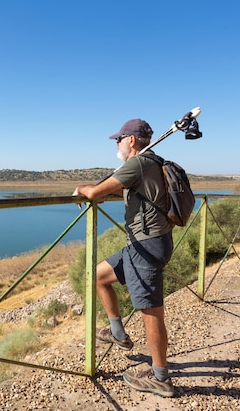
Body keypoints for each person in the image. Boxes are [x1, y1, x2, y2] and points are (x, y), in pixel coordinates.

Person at [72, 118, 175, 397]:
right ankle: (117, 332)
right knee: (98, 275)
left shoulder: (138, 163)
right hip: (143, 244)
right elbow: (129, 190)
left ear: (131, 140)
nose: (116, 143)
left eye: (119, 139)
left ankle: (161, 379)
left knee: (151, 312)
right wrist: (109, 190)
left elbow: (93, 192)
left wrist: (83, 189)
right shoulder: (152, 162)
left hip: (147, 246)